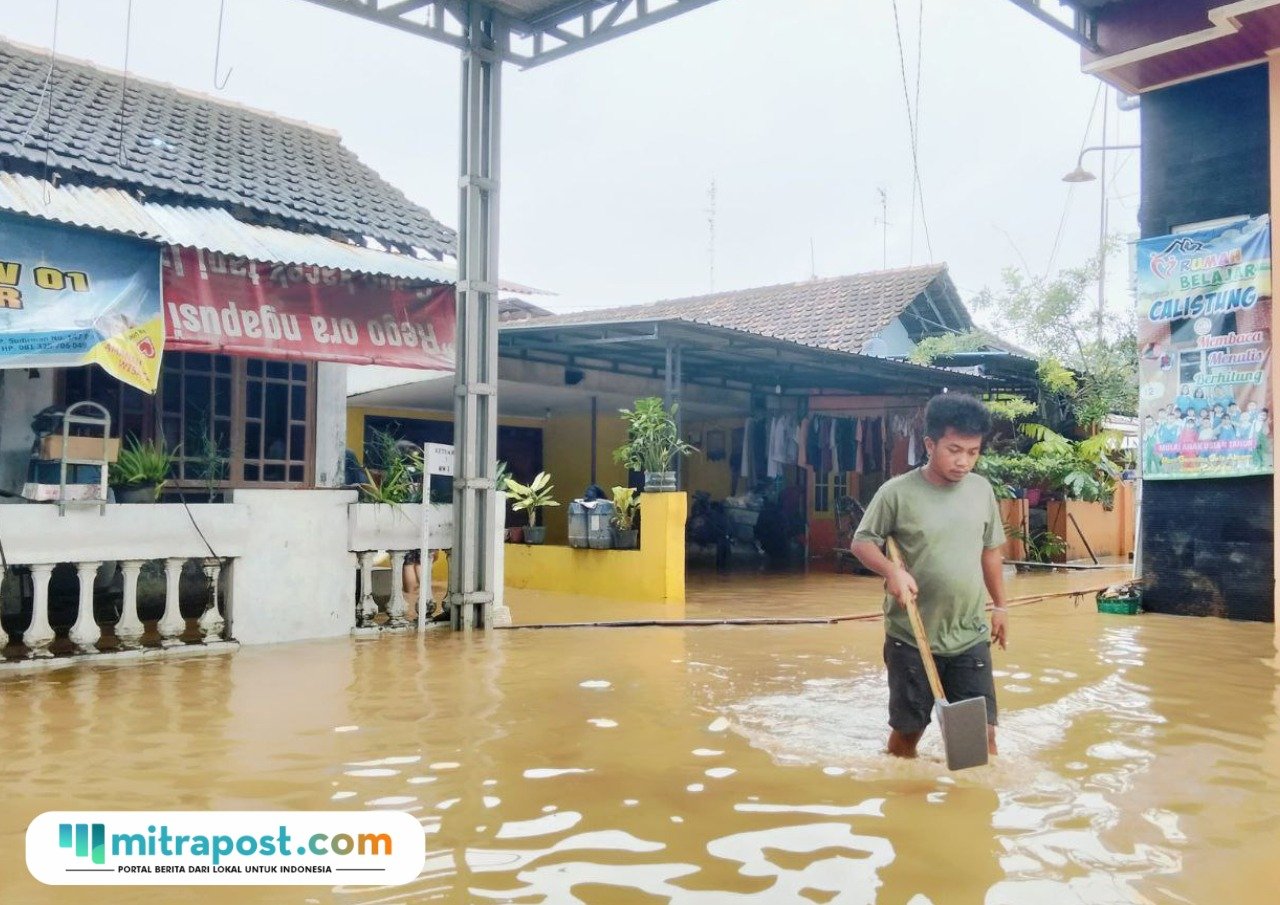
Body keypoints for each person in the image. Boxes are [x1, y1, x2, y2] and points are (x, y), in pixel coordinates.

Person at [850, 394, 1007, 759]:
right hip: (911, 637)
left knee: (979, 740)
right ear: (929, 444)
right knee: (908, 737)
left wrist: (1001, 607)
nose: (963, 461)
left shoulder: (982, 491)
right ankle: (903, 801)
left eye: (973, 451)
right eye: (954, 449)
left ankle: (967, 809)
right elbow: (862, 542)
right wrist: (892, 571)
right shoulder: (897, 493)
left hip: (969, 635)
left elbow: (990, 552)